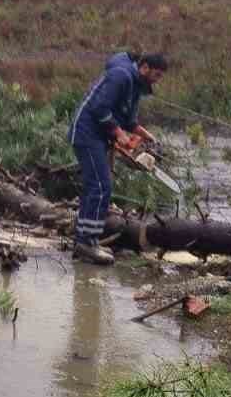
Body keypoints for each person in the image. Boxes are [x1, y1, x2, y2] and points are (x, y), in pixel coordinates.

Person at [66, 51, 168, 265]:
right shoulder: (121, 76)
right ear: (145, 67)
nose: (157, 81)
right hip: (86, 133)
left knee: (95, 187)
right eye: (156, 75)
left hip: (97, 136)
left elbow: (129, 120)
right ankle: (87, 243)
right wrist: (119, 134)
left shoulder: (135, 86)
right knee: (101, 187)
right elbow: (99, 108)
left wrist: (147, 136)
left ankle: (84, 240)